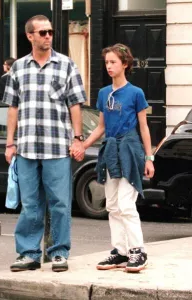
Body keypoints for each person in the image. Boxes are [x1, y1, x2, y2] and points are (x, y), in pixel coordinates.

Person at [3, 15, 86, 273]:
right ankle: (28, 254)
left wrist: (78, 138)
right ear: (30, 36)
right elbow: (13, 108)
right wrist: (9, 143)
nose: (48, 36)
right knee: (30, 203)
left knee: (60, 202)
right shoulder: (18, 68)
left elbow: (75, 104)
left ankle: (59, 252)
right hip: (27, 147)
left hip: (57, 147)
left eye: (50, 32)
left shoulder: (66, 65)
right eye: (42, 32)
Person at [77, 43, 154, 273]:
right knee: (111, 204)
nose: (109, 66)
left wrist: (149, 158)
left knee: (126, 203)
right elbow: (101, 127)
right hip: (110, 150)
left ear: (125, 64)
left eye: (113, 62)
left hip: (130, 149)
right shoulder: (103, 93)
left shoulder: (136, 93)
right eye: (107, 62)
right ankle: (120, 252)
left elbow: (144, 127)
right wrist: (83, 145)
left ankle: (138, 251)